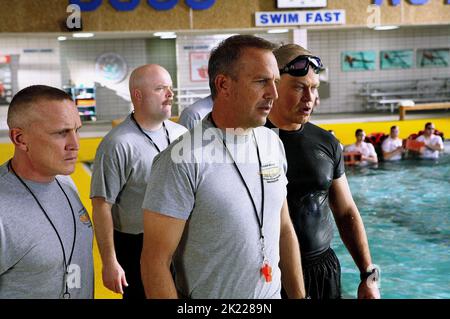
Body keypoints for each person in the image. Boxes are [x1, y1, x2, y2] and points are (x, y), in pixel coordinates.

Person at [140, 35, 305, 299]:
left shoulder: (272, 143)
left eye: (275, 81)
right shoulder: (181, 159)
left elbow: (284, 229)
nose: (274, 93)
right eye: (262, 81)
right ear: (224, 84)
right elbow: (155, 263)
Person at [266, 44, 380, 299]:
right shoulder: (250, 142)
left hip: (323, 270)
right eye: (298, 87)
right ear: (273, 85)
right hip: (270, 274)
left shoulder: (326, 142)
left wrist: (368, 275)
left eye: (314, 88)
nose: (310, 98)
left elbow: (346, 211)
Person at [90, 64, 187, 299]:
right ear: (138, 95)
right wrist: (110, 262)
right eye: (161, 88)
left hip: (182, 240)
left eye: (170, 88)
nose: (170, 94)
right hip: (137, 246)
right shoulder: (117, 144)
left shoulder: (182, 135)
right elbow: (102, 206)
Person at [0, 85, 94, 299]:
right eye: (61, 133)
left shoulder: (65, 182)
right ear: (20, 139)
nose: (75, 144)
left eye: (76, 130)